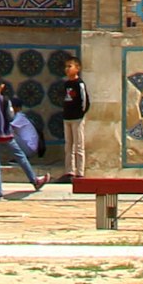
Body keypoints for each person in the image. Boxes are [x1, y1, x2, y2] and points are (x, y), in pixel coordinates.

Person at [0, 74, 39, 197]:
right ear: (2, 86)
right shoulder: (5, 100)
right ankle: (34, 180)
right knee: (21, 157)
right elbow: (10, 117)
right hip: (6, 135)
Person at [55, 53, 88, 187]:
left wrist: (80, 113)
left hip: (77, 118)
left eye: (70, 66)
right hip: (67, 117)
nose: (67, 69)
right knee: (68, 145)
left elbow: (85, 101)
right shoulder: (66, 84)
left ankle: (80, 172)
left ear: (77, 68)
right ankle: (69, 171)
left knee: (78, 145)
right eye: (66, 67)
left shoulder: (79, 84)